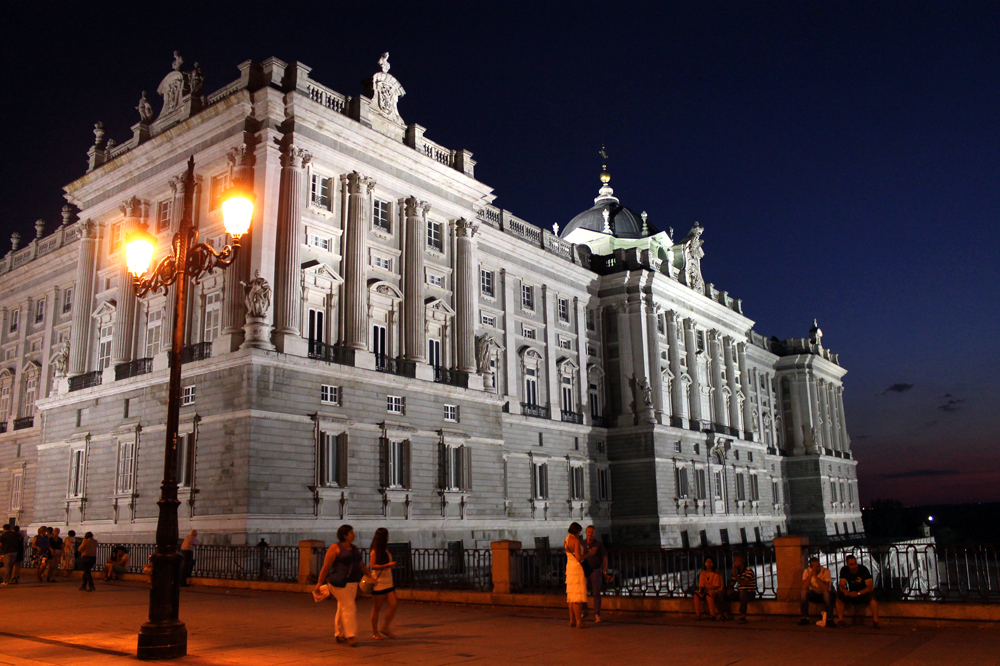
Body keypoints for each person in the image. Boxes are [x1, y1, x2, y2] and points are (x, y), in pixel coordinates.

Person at [315, 525, 373, 647]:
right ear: (345, 535)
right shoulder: (335, 548)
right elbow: (326, 566)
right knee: (349, 606)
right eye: (351, 533)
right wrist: (319, 583)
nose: (354, 534)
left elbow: (361, 564)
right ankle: (350, 635)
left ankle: (339, 633)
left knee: (343, 606)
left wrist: (369, 575)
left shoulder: (354, 548)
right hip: (339, 582)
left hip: (352, 582)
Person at [368, 527, 399, 640]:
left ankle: (385, 627)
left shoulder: (385, 550)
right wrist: (387, 565)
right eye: (387, 535)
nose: (388, 537)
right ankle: (375, 632)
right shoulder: (374, 551)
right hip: (379, 583)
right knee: (377, 607)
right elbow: (372, 566)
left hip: (388, 582)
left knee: (394, 604)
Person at [836, 555, 880, 628]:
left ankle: (876, 622)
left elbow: (870, 586)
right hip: (851, 593)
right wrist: (845, 591)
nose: (854, 566)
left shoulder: (863, 569)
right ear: (847, 564)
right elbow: (841, 585)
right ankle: (841, 620)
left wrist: (858, 593)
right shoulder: (844, 570)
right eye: (851, 564)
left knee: (873, 597)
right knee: (839, 596)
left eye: (855, 563)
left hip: (863, 593)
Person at [581, 525, 608, 622]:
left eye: (592, 532)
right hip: (584, 570)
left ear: (594, 533)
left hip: (595, 570)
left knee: (596, 592)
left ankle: (597, 614)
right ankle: (584, 611)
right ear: (586, 533)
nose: (590, 534)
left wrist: (604, 571)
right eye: (588, 532)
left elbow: (604, 558)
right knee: (583, 592)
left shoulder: (598, 544)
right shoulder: (582, 544)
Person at [564, 522, 588, 628]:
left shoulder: (566, 540)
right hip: (577, 569)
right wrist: (588, 554)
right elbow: (578, 557)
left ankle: (572, 620)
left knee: (571, 596)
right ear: (577, 531)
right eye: (579, 532)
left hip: (569, 567)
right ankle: (579, 621)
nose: (580, 534)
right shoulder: (576, 541)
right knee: (577, 596)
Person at [800, 556, 836, 627]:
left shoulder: (826, 571)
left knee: (826, 594)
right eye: (816, 566)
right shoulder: (806, 571)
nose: (818, 568)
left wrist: (816, 577)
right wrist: (811, 575)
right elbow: (804, 586)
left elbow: (826, 588)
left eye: (819, 565)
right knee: (803, 593)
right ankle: (804, 618)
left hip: (824, 594)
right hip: (814, 593)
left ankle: (830, 620)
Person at [726, 554, 756, 624]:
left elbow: (744, 583)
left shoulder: (749, 571)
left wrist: (735, 575)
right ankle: (724, 614)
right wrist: (729, 588)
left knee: (743, 593)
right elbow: (732, 583)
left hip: (749, 593)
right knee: (722, 593)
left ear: (740, 562)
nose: (733, 563)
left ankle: (743, 616)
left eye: (735, 561)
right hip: (741, 593)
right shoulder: (737, 571)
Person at [693, 556, 724, 620]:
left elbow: (717, 585)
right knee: (696, 595)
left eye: (710, 562)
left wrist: (708, 589)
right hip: (705, 590)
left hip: (714, 591)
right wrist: (701, 590)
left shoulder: (716, 573)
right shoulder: (702, 573)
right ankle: (698, 614)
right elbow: (701, 585)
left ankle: (712, 614)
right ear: (704, 563)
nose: (709, 563)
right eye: (707, 562)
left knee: (708, 595)